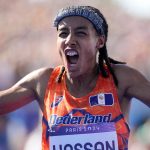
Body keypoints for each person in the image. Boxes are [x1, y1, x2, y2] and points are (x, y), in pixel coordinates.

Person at [0, 5, 150, 150]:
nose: (70, 40)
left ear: (100, 41)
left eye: (81, 33)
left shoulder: (120, 79)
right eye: (63, 33)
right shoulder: (44, 81)